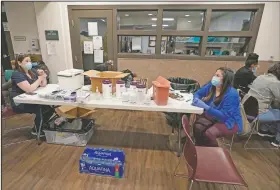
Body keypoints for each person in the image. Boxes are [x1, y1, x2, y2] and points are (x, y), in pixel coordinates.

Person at [191, 67, 243, 147]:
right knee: (197, 127)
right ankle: (200, 148)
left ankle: (216, 153)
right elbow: (198, 93)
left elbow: (225, 116)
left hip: (229, 121)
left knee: (210, 133)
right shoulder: (212, 86)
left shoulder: (232, 94)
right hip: (214, 116)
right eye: (215, 74)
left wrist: (206, 107)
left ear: (225, 79)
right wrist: (196, 99)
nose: (214, 77)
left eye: (218, 75)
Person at [10, 54, 53, 136]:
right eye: (26, 61)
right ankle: (38, 130)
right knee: (40, 107)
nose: (29, 63)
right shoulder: (17, 74)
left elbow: (43, 85)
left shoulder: (32, 71)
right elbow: (29, 89)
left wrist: (42, 76)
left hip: (31, 98)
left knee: (49, 108)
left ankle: (41, 126)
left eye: (30, 61)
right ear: (19, 63)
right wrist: (40, 78)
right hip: (19, 102)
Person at [248, 62, 280, 147]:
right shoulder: (275, 82)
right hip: (259, 113)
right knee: (276, 111)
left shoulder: (261, 77)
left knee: (273, 108)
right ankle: (277, 141)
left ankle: (265, 131)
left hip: (248, 110)